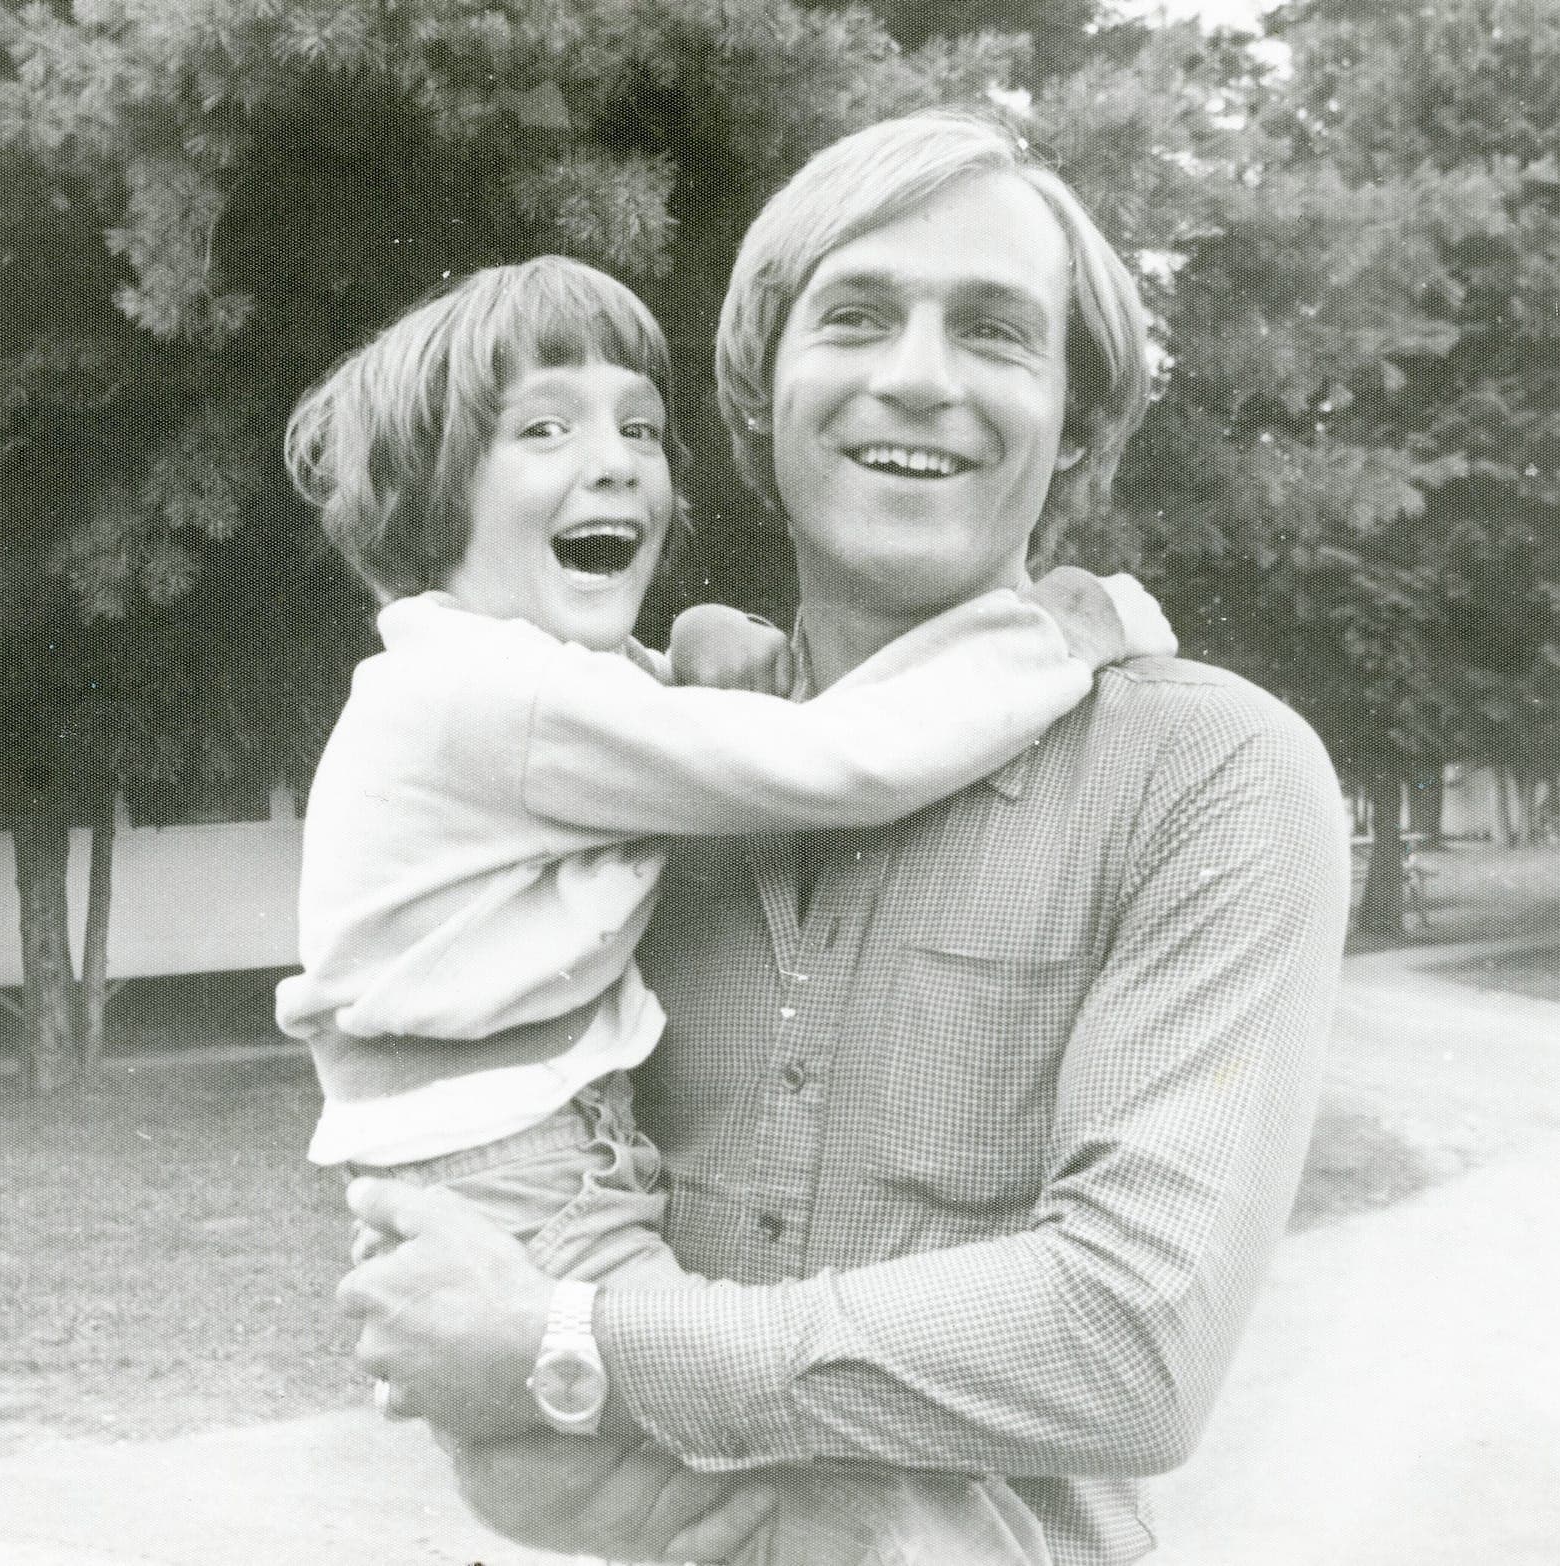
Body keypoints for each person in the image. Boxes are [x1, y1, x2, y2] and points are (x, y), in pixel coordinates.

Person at [338, 110, 1351, 1566]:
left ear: (1077, 418)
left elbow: (1132, 1339)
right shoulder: (628, 759)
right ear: (760, 396)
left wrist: (579, 1338)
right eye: (858, 315)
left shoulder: (1212, 778)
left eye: (997, 333)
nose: (918, 378)